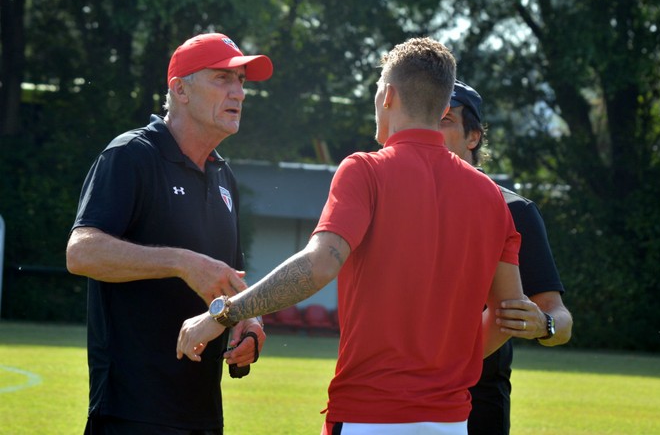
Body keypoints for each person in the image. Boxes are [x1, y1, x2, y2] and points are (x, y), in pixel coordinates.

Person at [177, 37, 526, 435]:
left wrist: (223, 313)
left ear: (388, 95)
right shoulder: (490, 195)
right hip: (452, 421)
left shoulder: (365, 169)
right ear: (444, 107)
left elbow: (319, 263)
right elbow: (507, 313)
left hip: (369, 414)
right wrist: (445, 369)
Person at [65, 32, 272, 434]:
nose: (239, 93)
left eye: (241, 82)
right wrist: (180, 262)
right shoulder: (130, 155)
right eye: (222, 79)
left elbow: (230, 283)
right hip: (132, 412)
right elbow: (81, 252)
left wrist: (249, 322)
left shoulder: (223, 174)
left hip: (203, 414)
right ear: (180, 90)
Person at [439, 80, 574, 435]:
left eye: (446, 119)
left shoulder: (515, 210)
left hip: (478, 401)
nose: (432, 130)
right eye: (426, 119)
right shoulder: (395, 199)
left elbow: (560, 318)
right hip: (395, 393)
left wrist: (542, 324)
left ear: (474, 136)